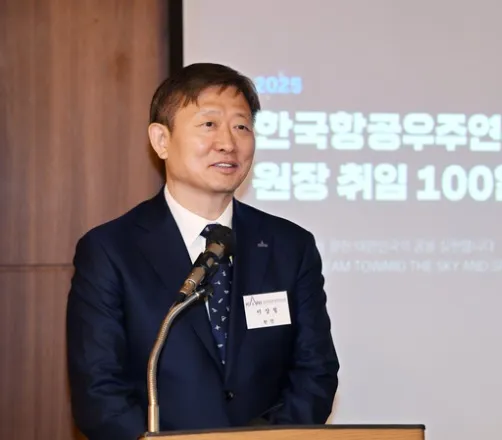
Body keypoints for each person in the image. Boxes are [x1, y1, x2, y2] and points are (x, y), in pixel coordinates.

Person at [65, 63, 340, 440]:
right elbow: (99, 393)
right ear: (161, 140)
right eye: (209, 124)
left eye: (241, 126)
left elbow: (315, 372)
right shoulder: (111, 251)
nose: (228, 142)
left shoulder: (290, 246)